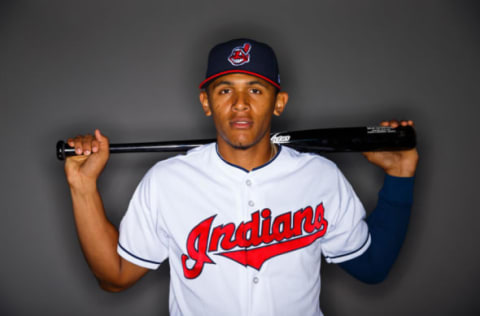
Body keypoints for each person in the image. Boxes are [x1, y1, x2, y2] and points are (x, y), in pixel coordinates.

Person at [64, 39, 418, 316]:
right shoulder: (167, 182)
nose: (240, 104)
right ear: (206, 103)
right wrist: (83, 188)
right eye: (224, 90)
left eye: (255, 89)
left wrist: (400, 176)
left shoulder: (320, 177)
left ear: (279, 103)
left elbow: (371, 268)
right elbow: (115, 277)